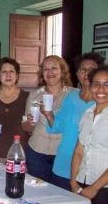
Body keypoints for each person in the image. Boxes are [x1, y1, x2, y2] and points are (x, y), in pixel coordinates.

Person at [44, 52, 105, 190]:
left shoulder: (102, 103)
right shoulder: (70, 97)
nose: (86, 73)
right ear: (77, 74)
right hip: (63, 163)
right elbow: (57, 126)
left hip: (88, 170)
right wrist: (48, 114)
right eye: (83, 69)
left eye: (91, 70)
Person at [22, 55, 74, 183]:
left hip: (63, 154)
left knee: (62, 193)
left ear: (63, 72)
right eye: (45, 69)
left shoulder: (74, 95)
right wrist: (29, 123)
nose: (50, 72)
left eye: (54, 68)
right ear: (42, 74)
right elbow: (26, 127)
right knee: (38, 192)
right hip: (36, 152)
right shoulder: (34, 95)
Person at [71, 66, 108, 204]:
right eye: (96, 84)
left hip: (103, 188)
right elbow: (79, 150)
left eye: (107, 84)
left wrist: (95, 188)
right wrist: (73, 180)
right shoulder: (87, 113)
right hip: (82, 183)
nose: (101, 89)